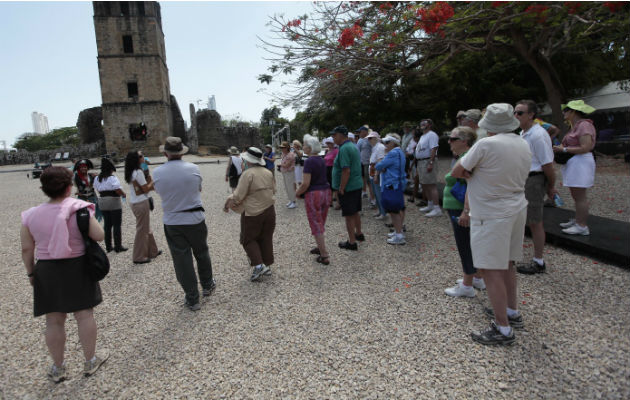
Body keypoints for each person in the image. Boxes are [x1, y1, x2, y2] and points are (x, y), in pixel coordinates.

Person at [451, 103, 531, 345]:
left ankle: (503, 328)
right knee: (508, 263)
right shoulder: (522, 142)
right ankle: (511, 311)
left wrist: (473, 174)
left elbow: (457, 170)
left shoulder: (487, 144)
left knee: (489, 269)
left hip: (491, 211)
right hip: (516, 206)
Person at [21, 166, 108, 383]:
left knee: (54, 320)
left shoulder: (30, 215)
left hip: (47, 269)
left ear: (44, 189)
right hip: (78, 265)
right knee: (84, 315)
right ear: (69, 187)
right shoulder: (79, 208)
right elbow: (99, 235)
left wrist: (31, 273)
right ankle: (90, 361)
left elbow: (26, 249)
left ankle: (58, 367)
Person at [153, 137, 216, 311]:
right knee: (202, 252)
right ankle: (207, 284)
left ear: (165, 153)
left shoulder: (157, 173)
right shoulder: (194, 168)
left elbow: (159, 191)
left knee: (182, 260)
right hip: (195, 217)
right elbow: (199, 189)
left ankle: (192, 297)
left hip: (173, 220)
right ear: (182, 152)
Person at [442, 127, 486, 297]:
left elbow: (470, 185)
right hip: (460, 205)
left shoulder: (467, 159)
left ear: (464, 141)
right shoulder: (464, 157)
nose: (449, 142)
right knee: (470, 242)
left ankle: (467, 285)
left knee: (465, 244)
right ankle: (476, 276)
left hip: (460, 206)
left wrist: (466, 211)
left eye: (452, 139)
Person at [513, 100, 556, 274]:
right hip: (524, 179)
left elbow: (547, 164)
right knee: (524, 219)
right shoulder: (524, 133)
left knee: (535, 221)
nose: (516, 116)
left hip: (534, 179)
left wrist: (551, 186)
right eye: (515, 112)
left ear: (531, 115)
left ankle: (539, 261)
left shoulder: (538, 135)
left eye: (520, 113)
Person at [224, 147, 276, 281]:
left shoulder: (247, 174)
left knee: (248, 239)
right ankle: (266, 265)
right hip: (269, 209)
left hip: (253, 212)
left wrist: (230, 202)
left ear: (248, 160)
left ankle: (258, 266)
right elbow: (274, 189)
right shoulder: (268, 172)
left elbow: (239, 195)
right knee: (266, 237)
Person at [553, 100, 597, 236]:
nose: (563, 113)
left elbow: (586, 147)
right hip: (575, 162)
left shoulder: (584, 125)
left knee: (580, 196)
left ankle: (581, 225)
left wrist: (564, 149)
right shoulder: (576, 126)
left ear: (573, 111)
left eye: (566, 110)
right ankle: (578, 220)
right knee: (576, 194)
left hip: (581, 162)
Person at [296, 134, 332, 265]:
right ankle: (320, 246)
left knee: (316, 223)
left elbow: (305, 183)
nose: (303, 147)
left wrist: (298, 192)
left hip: (314, 194)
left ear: (310, 148)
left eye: (304, 145)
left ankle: (324, 255)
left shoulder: (309, 161)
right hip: (325, 192)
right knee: (320, 221)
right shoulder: (321, 159)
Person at [331, 125, 365, 250]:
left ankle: (351, 242)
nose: (333, 137)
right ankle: (359, 233)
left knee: (349, 215)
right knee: (355, 211)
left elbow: (346, 170)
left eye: (335, 135)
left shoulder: (344, 148)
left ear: (341, 135)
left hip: (348, 187)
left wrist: (341, 187)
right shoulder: (352, 146)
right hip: (356, 185)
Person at [124, 151, 161, 264]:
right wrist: (153, 182)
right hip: (141, 202)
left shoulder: (132, 172)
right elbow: (145, 189)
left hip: (135, 202)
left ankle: (152, 251)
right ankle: (138, 256)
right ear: (137, 159)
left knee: (145, 227)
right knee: (142, 229)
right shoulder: (138, 172)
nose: (143, 157)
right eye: (141, 156)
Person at [375, 134, 407, 245]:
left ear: (394, 143)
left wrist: (381, 164)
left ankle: (399, 235)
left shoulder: (393, 153)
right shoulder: (399, 152)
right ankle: (399, 231)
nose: (385, 145)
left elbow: (379, 166)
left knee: (394, 211)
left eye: (387, 142)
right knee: (398, 209)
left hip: (392, 184)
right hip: (397, 183)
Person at [93, 157, 127, 253]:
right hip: (113, 200)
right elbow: (117, 189)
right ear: (111, 169)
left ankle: (108, 246)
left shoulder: (97, 178)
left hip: (102, 201)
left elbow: (96, 188)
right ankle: (118, 246)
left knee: (107, 225)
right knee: (116, 224)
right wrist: (123, 194)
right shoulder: (112, 178)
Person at [415, 119, 442, 217]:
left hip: (427, 161)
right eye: (421, 122)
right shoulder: (423, 136)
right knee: (424, 184)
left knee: (431, 185)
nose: (422, 124)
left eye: (424, 123)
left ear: (430, 125)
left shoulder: (432, 135)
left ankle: (437, 208)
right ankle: (430, 204)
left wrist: (431, 162)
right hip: (421, 161)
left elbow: (433, 148)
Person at [367, 130, 387, 220]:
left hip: (376, 173)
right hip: (373, 172)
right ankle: (380, 211)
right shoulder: (375, 147)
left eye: (370, 138)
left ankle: (383, 212)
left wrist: (376, 175)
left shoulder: (380, 147)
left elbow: (380, 161)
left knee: (379, 194)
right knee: (376, 193)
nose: (369, 140)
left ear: (375, 138)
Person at [356, 126, 374, 204]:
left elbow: (373, 150)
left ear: (365, 132)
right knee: (363, 177)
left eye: (360, 132)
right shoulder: (360, 140)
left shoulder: (370, 139)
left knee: (369, 180)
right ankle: (364, 192)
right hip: (361, 162)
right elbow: (358, 151)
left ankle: (373, 197)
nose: (359, 133)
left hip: (368, 162)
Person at [323, 137, 340, 209]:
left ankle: (338, 202)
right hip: (327, 169)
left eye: (330, 143)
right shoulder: (327, 151)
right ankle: (330, 201)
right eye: (327, 143)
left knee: (335, 185)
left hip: (333, 168)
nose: (328, 145)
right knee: (329, 185)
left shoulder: (336, 151)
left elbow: (337, 161)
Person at [279, 141, 297, 209]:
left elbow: (287, 165)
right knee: (287, 187)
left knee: (291, 187)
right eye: (281, 147)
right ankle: (291, 200)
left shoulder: (290, 155)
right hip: (285, 172)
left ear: (287, 148)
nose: (282, 149)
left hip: (289, 173)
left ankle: (294, 202)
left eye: (283, 147)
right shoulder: (283, 154)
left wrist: (280, 165)